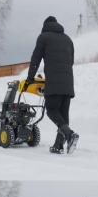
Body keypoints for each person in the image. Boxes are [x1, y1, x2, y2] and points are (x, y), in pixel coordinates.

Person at [26, 16, 79, 154]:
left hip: (54, 82)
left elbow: (35, 58)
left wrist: (30, 77)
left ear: (45, 25)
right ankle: (58, 146)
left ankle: (69, 134)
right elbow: (71, 61)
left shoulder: (43, 37)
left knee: (51, 110)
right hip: (68, 83)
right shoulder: (68, 39)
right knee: (63, 114)